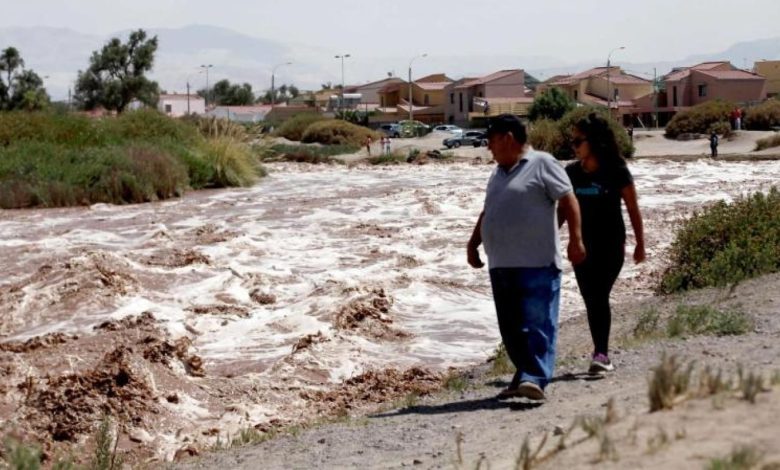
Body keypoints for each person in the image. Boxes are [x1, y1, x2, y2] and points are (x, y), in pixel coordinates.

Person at [467, 114, 586, 401]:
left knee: (538, 323)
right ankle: (524, 374)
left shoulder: (543, 162)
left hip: (537, 262)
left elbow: (568, 198)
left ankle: (536, 378)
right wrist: (473, 243)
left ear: (508, 138)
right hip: (501, 264)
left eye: (492, 141)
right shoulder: (497, 173)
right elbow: (489, 211)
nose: (489, 148)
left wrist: (576, 239)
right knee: (511, 329)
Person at [563, 113, 646, 375]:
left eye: (578, 141)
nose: (574, 146)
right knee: (591, 299)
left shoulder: (616, 170)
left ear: (594, 141)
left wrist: (640, 244)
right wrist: (547, 239)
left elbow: (633, 208)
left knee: (598, 295)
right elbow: (561, 211)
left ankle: (602, 354)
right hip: (581, 247)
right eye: (572, 141)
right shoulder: (571, 173)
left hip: (611, 246)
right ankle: (600, 352)